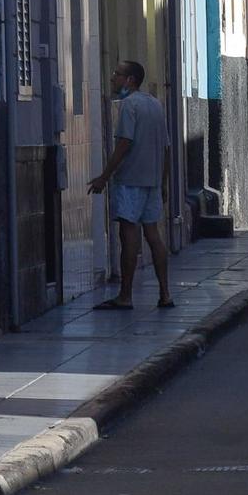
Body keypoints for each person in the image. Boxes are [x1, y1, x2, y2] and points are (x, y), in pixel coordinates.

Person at [87, 61, 172, 311]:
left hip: (131, 181)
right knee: (153, 235)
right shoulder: (155, 104)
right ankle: (165, 293)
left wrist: (104, 176)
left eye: (117, 74)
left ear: (131, 80)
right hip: (153, 182)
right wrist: (163, 182)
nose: (113, 78)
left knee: (129, 236)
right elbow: (166, 148)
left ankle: (125, 295)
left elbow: (124, 144)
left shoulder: (129, 106)